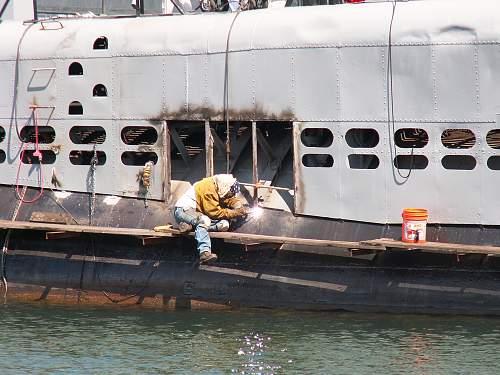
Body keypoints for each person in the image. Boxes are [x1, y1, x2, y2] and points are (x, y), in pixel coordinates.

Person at [174, 174, 247, 263]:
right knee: (205, 220)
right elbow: (214, 213)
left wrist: (237, 205)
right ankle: (204, 252)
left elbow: (226, 197)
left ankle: (191, 227)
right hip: (184, 211)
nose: (230, 195)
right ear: (225, 187)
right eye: (230, 192)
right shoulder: (208, 189)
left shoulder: (220, 186)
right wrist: (235, 212)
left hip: (197, 214)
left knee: (224, 225)